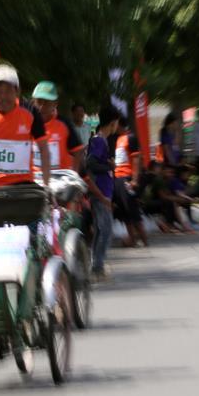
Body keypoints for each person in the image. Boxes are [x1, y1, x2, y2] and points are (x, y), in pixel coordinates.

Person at [85, 107, 120, 281]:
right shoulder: (99, 141)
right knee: (106, 229)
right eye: (117, 123)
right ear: (112, 123)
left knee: (101, 229)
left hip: (104, 191)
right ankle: (97, 267)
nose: (117, 126)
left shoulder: (103, 141)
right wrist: (110, 167)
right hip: (99, 192)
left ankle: (96, 266)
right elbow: (90, 163)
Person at [31, 81, 85, 171]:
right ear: (33, 102)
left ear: (55, 104)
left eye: (47, 102)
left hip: (59, 181)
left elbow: (78, 152)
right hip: (34, 182)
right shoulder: (27, 124)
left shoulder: (64, 124)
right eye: (39, 102)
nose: (42, 107)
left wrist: (73, 175)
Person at [112, 116, 147, 247]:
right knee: (123, 211)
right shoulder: (118, 139)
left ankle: (144, 240)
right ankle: (132, 239)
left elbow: (136, 159)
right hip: (118, 178)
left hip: (127, 177)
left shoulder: (130, 137)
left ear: (118, 124)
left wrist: (134, 179)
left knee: (132, 209)